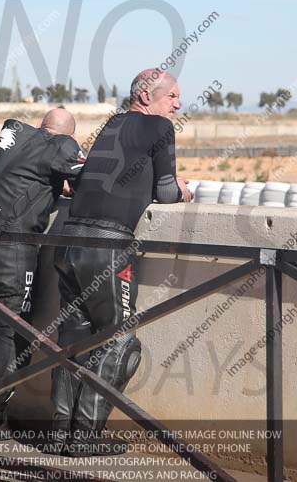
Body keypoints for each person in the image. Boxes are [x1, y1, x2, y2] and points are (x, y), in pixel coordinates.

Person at [50, 69, 192, 456]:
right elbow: (164, 192)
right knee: (121, 343)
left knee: (73, 340)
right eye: (172, 96)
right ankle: (83, 438)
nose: (178, 104)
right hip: (106, 245)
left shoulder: (112, 124)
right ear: (147, 96)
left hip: (68, 239)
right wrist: (181, 191)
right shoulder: (160, 128)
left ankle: (61, 433)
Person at [0, 109, 84, 440]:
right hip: (13, 254)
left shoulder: (12, 138)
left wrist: (52, 187)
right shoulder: (62, 144)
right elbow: (90, 178)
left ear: (41, 127)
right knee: (9, 335)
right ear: (63, 135)